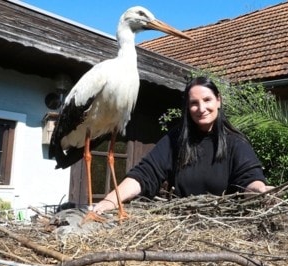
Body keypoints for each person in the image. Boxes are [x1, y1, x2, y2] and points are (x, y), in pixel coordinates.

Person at [93, 76, 269, 214]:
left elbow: (250, 179)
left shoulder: (236, 143)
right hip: (182, 226)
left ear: (218, 100)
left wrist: (261, 191)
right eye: (194, 103)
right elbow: (145, 174)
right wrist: (111, 200)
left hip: (227, 226)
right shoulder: (176, 139)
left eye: (207, 100)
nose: (201, 108)